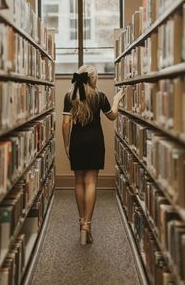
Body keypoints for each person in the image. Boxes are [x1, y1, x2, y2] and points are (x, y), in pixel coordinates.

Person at [62, 64, 125, 245]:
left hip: (78, 143)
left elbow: (66, 124)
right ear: (93, 78)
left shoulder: (70, 96)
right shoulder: (100, 96)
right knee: (91, 182)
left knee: (79, 182)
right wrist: (116, 100)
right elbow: (112, 116)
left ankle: (81, 221)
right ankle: (87, 225)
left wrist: (67, 144)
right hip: (95, 142)